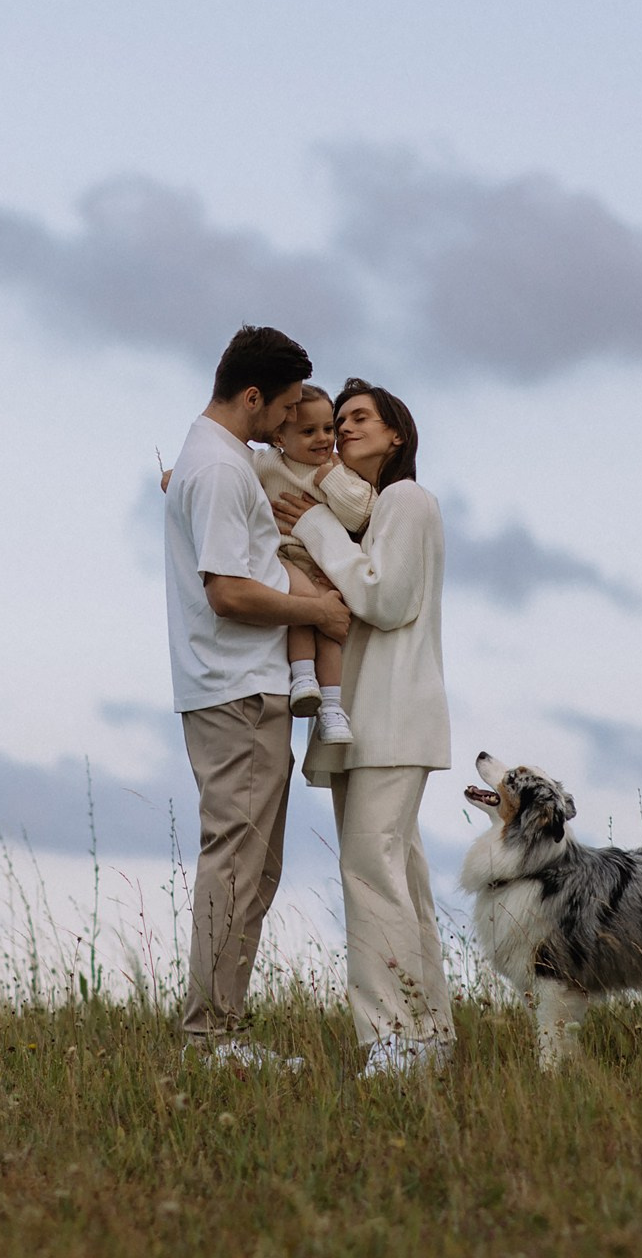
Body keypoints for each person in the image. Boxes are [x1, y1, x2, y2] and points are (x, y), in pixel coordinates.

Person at [164, 325, 353, 1067]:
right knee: (237, 865)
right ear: (252, 397)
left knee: (256, 868)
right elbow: (227, 592)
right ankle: (209, 1037)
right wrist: (318, 613)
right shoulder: (217, 469)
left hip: (245, 687)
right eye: (282, 411)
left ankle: (223, 1031)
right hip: (234, 690)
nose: (289, 426)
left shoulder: (220, 462)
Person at [272, 377, 455, 1077]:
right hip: (379, 721)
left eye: (359, 418)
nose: (344, 428)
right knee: (398, 875)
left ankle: (393, 1039)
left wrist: (313, 527)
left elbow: (386, 597)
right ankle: (428, 1037)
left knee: (370, 871)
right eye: (339, 419)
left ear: (396, 435)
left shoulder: (407, 499)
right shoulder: (371, 513)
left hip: (393, 717)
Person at [250, 384, 375, 746]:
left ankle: (332, 708)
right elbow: (223, 470)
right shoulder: (267, 463)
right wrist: (177, 476)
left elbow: (359, 514)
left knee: (331, 625)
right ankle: (303, 678)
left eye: (328, 430)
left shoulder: (338, 472)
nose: (323, 439)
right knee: (305, 607)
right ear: (279, 437)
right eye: (308, 431)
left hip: (323, 565)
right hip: (284, 557)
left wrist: (331, 478)